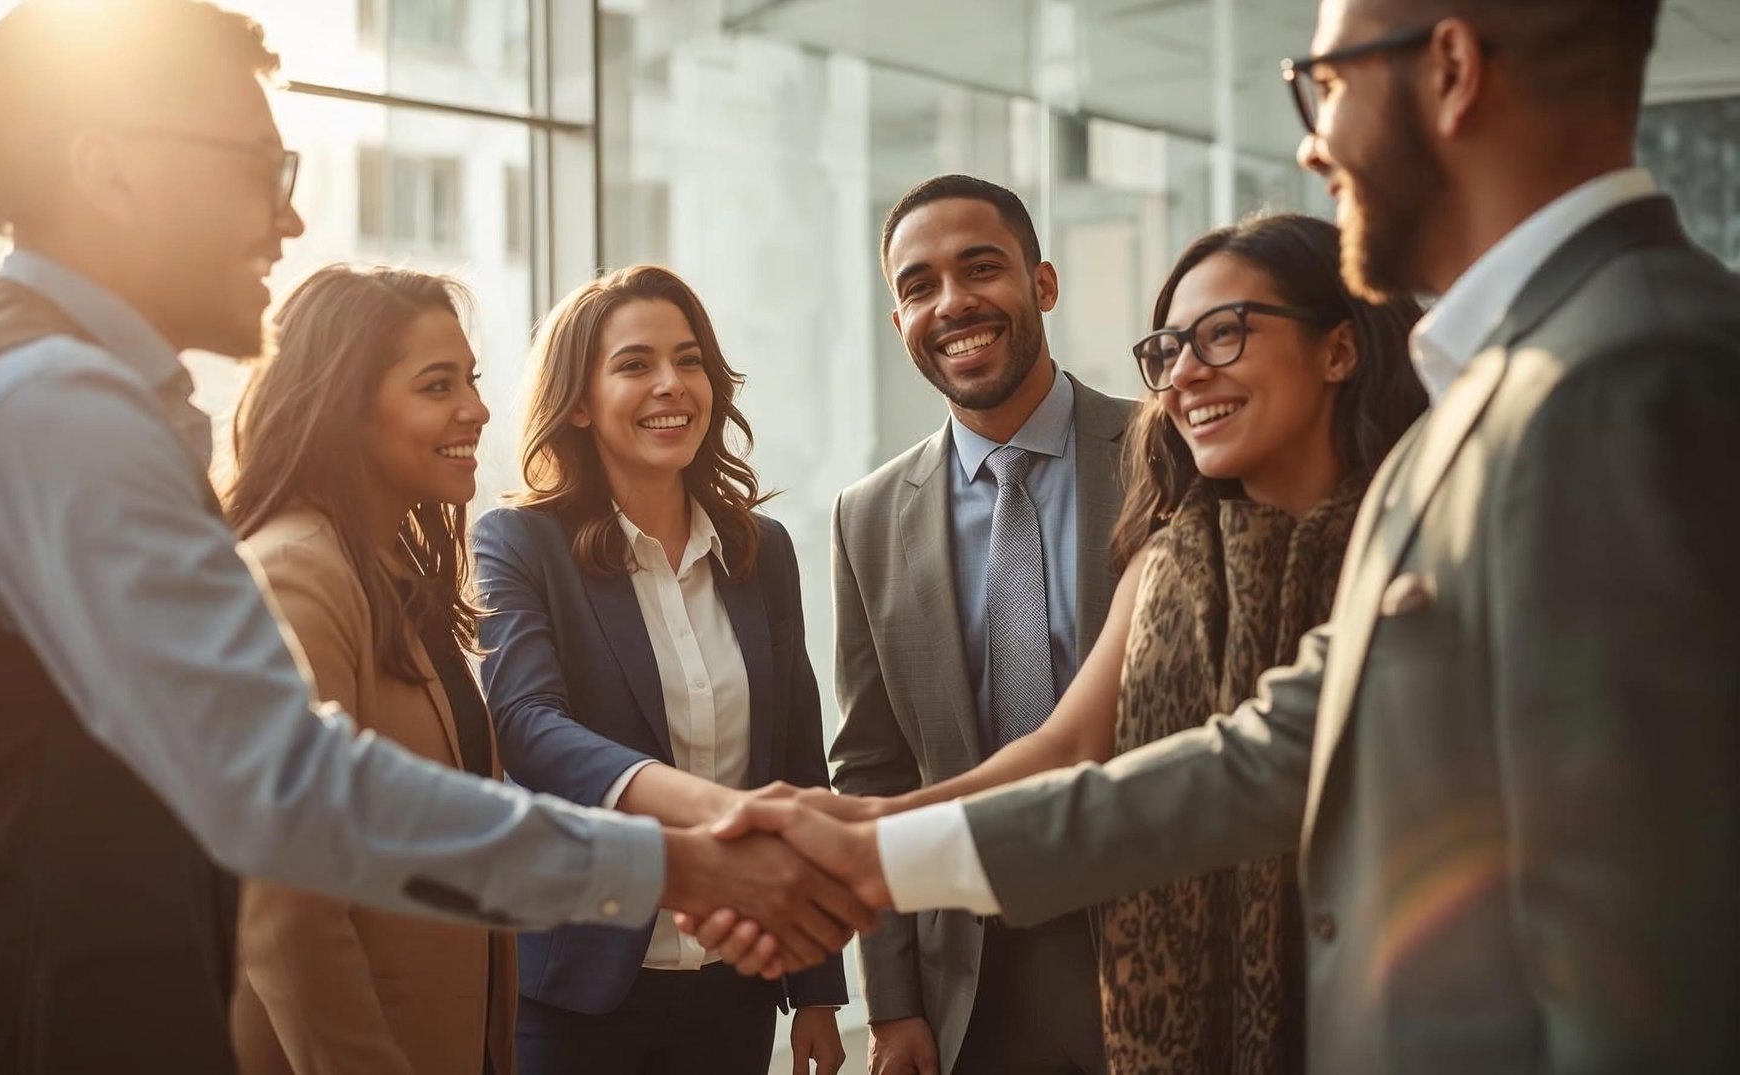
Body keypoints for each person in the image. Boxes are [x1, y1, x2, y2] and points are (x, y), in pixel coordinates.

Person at [698, 0, 1740, 1070]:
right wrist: (868, 852)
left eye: (1323, 84)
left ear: (1451, 68)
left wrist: (861, 853)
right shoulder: (1506, 386)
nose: (1309, 138)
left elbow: (1650, 935)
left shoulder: (1627, 380)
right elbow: (1263, 759)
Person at [0, 3, 865, 1071]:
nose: (288, 217)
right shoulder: (52, 411)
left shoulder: (32, 391)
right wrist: (677, 865)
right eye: (260, 168)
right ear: (110, 170)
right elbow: (290, 793)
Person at [802, 213, 1424, 1073]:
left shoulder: (1412, 543)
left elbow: (1230, 769)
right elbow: (1062, 744)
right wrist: (857, 839)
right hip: (1140, 977)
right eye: (1171, 348)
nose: (1188, 374)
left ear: (1339, 350)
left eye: (1225, 334)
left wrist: (862, 850)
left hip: (1372, 973)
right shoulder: (1174, 541)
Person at [471, 264, 847, 1075]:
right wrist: (715, 810)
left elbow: (795, 758)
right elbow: (528, 727)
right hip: (572, 992)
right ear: (578, 399)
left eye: (689, 359)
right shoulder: (516, 543)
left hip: (734, 990)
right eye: (635, 364)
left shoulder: (761, 550)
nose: (671, 385)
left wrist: (817, 981)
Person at [822, 174, 1130, 1075]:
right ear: (898, 322)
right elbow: (871, 764)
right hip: (969, 983)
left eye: (980, 268)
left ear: (1043, 283)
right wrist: (892, 1004)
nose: (952, 303)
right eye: (918, 286)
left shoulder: (1167, 457)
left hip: (1155, 933)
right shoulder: (867, 515)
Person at [221, 265, 515, 1074]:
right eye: (437, 384)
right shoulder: (295, 573)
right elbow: (286, 906)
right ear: (343, 404)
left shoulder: (393, 571)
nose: (477, 408)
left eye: (472, 379)